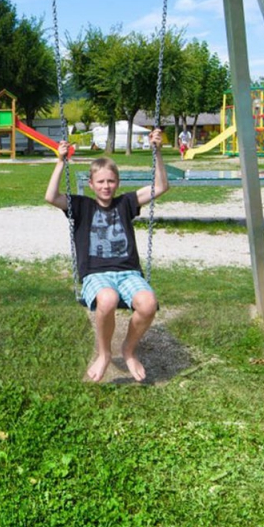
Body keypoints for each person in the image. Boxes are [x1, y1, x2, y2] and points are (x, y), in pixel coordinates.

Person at [45, 128, 169, 383]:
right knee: (108, 299)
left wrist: (157, 151)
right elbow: (51, 196)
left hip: (128, 273)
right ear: (91, 184)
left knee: (148, 304)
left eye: (111, 181)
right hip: (96, 274)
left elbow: (160, 186)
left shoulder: (126, 203)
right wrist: (60, 162)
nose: (106, 186)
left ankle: (129, 350)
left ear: (117, 183)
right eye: (100, 182)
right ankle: (104, 353)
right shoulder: (81, 206)